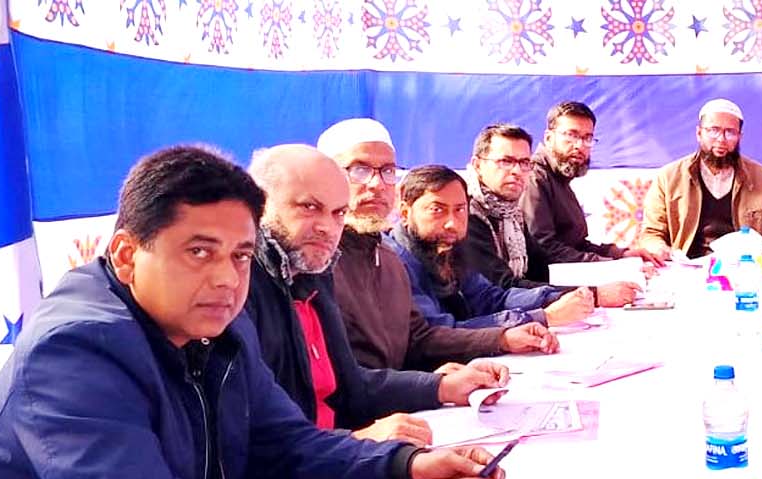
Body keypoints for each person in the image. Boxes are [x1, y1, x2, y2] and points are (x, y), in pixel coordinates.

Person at [0, 145, 504, 479]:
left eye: (241, 255)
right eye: (199, 252)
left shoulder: (217, 329)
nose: (227, 279)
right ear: (127, 255)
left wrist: (405, 466)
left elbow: (287, 447)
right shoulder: (75, 354)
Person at [246, 144, 510, 448]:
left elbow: (350, 384)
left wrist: (439, 386)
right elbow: (253, 443)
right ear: (260, 204)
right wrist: (359, 443)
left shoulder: (318, 271)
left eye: (338, 213)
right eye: (309, 207)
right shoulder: (248, 288)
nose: (327, 227)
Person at [315, 118, 558, 369]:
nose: (376, 184)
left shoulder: (384, 255)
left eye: (387, 171)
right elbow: (353, 378)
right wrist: (529, 322)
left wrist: (505, 335)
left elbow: (421, 336)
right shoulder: (319, 261)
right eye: (359, 170)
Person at [390, 165, 596, 329]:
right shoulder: (396, 264)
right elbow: (439, 332)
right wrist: (542, 318)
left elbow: (490, 298)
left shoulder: (450, 247)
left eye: (460, 209)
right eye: (437, 210)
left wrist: (555, 298)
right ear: (405, 213)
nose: (452, 223)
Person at [460, 123, 639, 308]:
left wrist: (616, 270)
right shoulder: (467, 215)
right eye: (505, 161)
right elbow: (504, 287)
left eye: (524, 163)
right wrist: (593, 295)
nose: (517, 171)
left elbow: (543, 267)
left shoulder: (510, 212)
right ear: (478, 165)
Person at [639, 99, 762, 258]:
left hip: (746, 266)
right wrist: (661, 250)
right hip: (686, 265)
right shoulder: (668, 178)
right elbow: (651, 234)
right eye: (713, 130)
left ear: (740, 137)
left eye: (730, 132)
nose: (721, 139)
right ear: (699, 133)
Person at [522, 101, 661, 265]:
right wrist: (613, 265)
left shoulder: (559, 178)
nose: (580, 146)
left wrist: (621, 254)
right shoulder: (534, 178)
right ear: (548, 138)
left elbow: (576, 245)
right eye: (571, 135)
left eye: (587, 138)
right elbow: (543, 249)